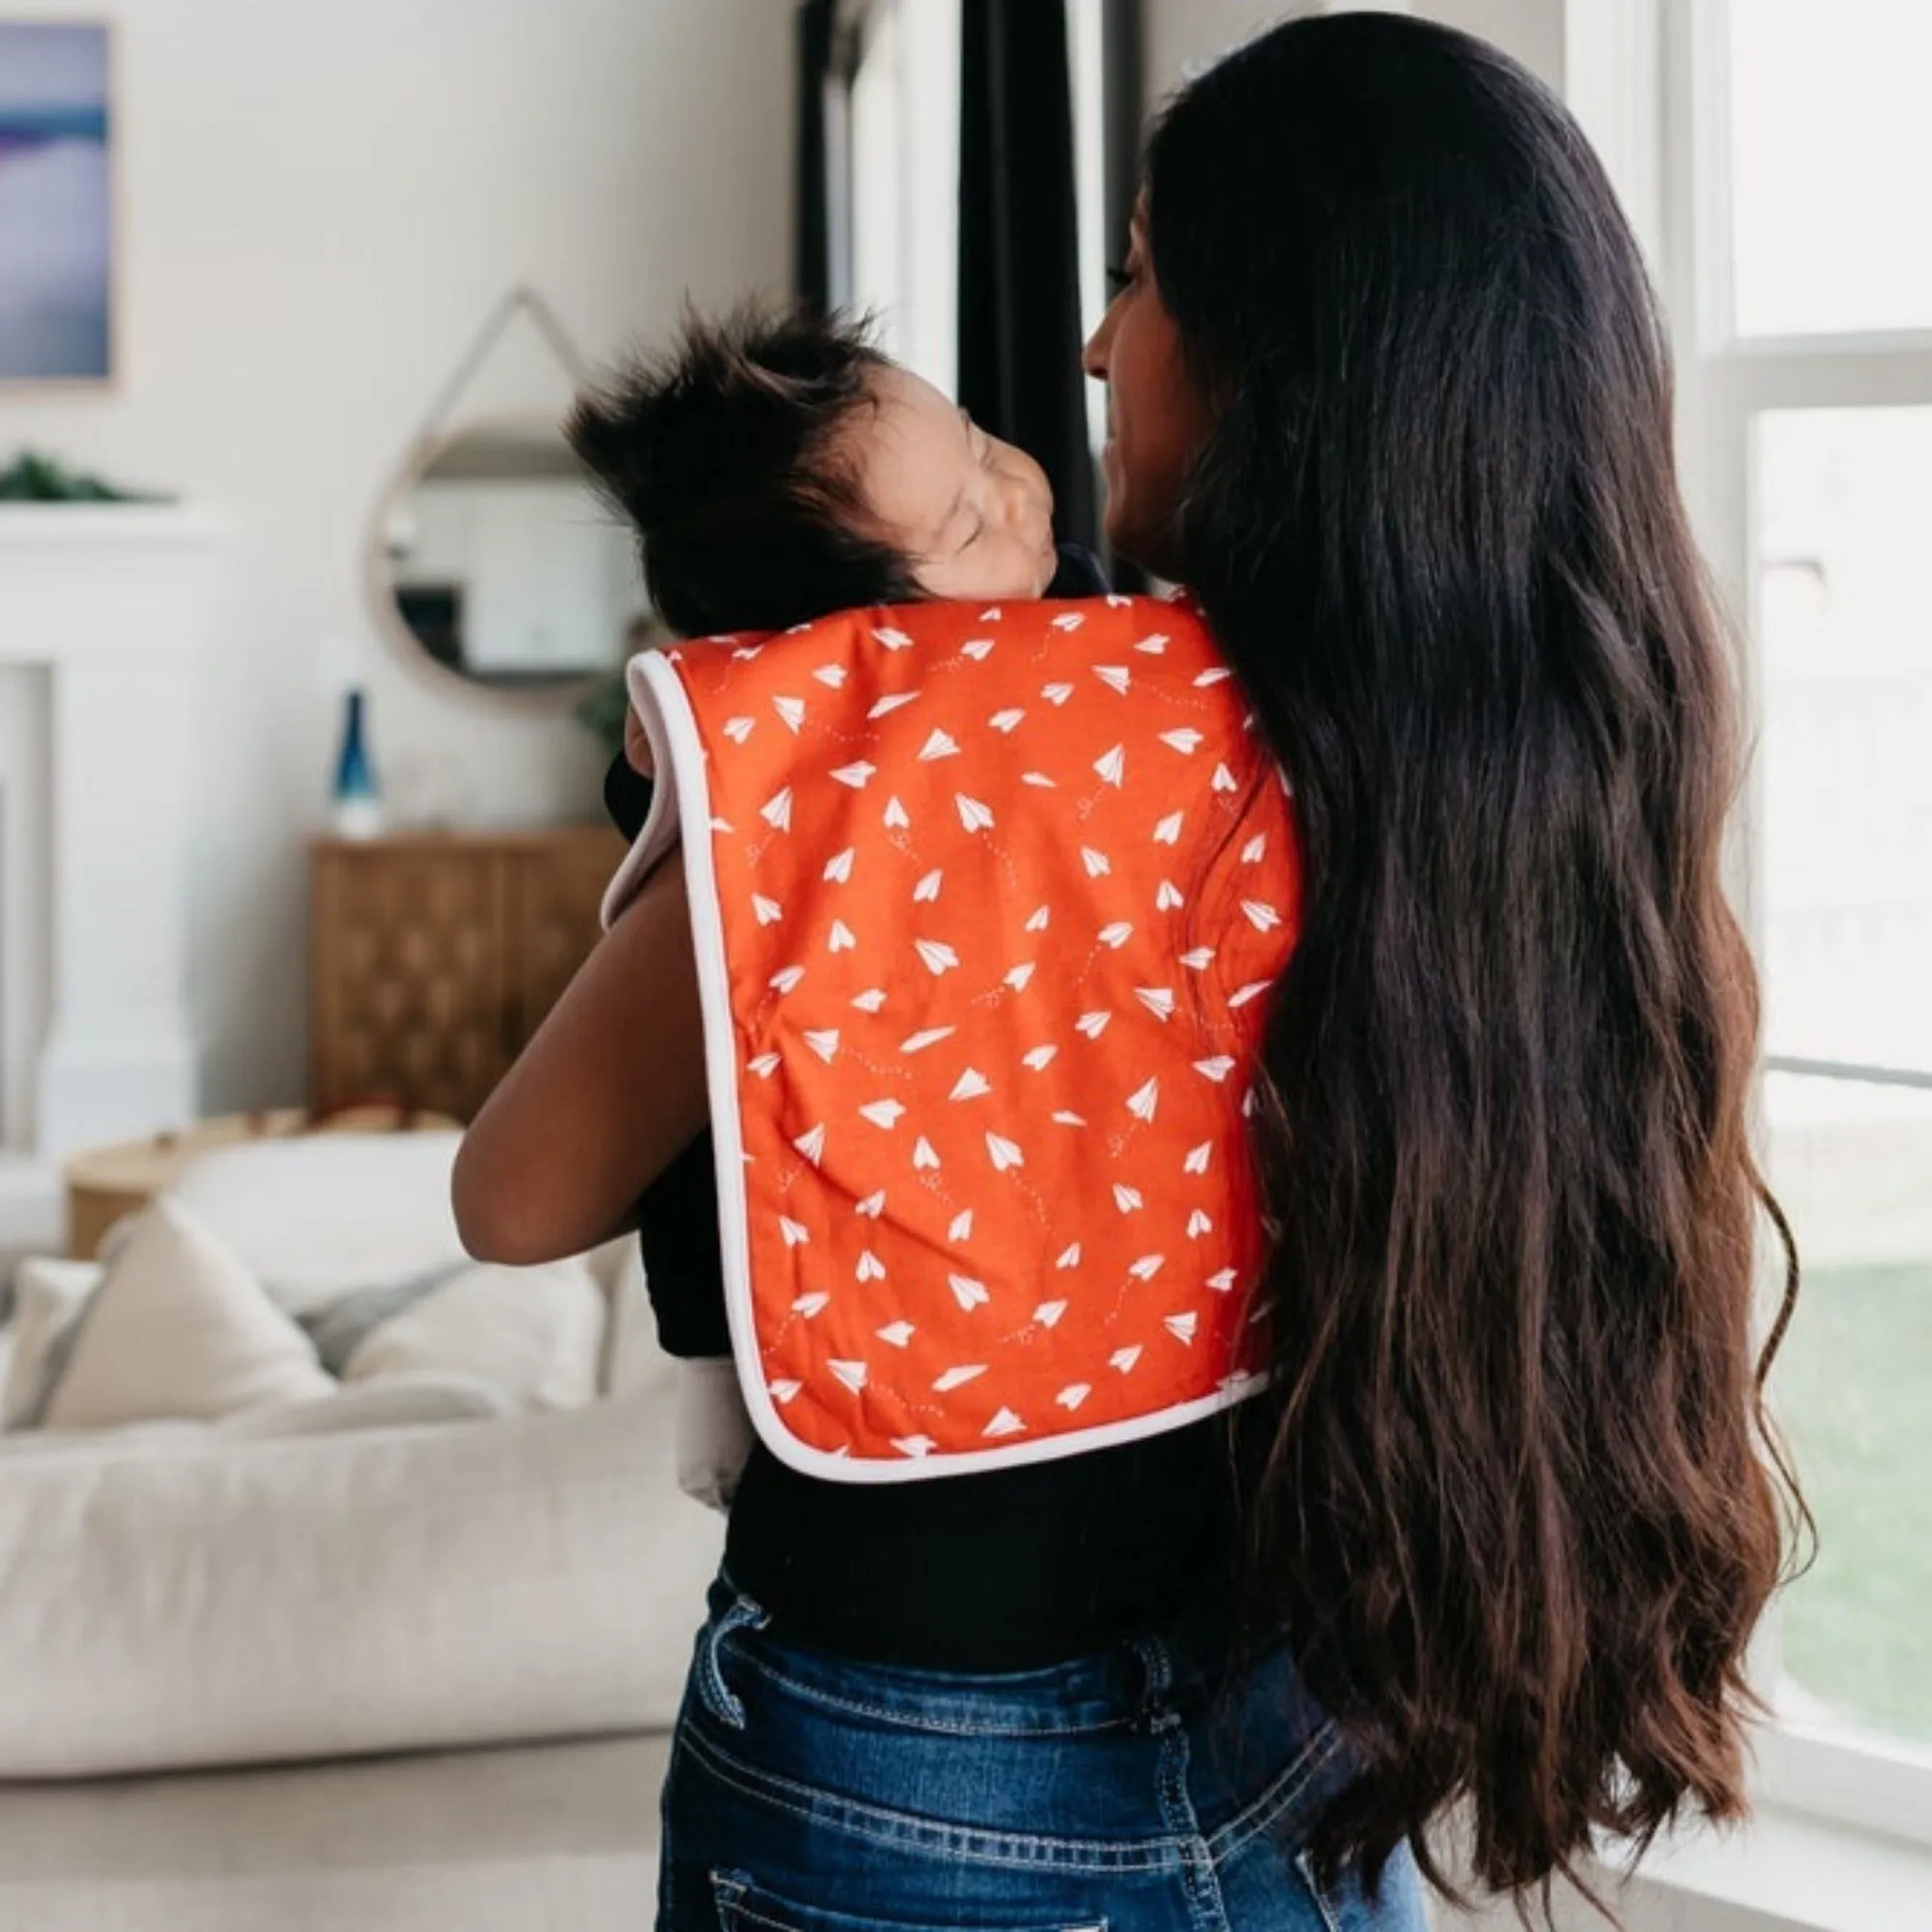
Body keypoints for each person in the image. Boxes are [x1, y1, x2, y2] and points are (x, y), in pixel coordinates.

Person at [452, 15, 1804, 1928]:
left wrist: (799, 771)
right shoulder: (1486, 757)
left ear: (1276, 348)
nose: (1092, 347)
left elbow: (511, 1200)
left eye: (1139, 276)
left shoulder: (879, 754)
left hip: (900, 1752)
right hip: (1323, 1731)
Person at [569, 305, 1115, 1509]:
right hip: (811, 1012)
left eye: (976, 440)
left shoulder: (1074, 612)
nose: (1016, 488)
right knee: (718, 1120)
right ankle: (713, 1353)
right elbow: (655, 807)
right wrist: (664, 764)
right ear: (858, 638)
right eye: (970, 521)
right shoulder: (791, 727)